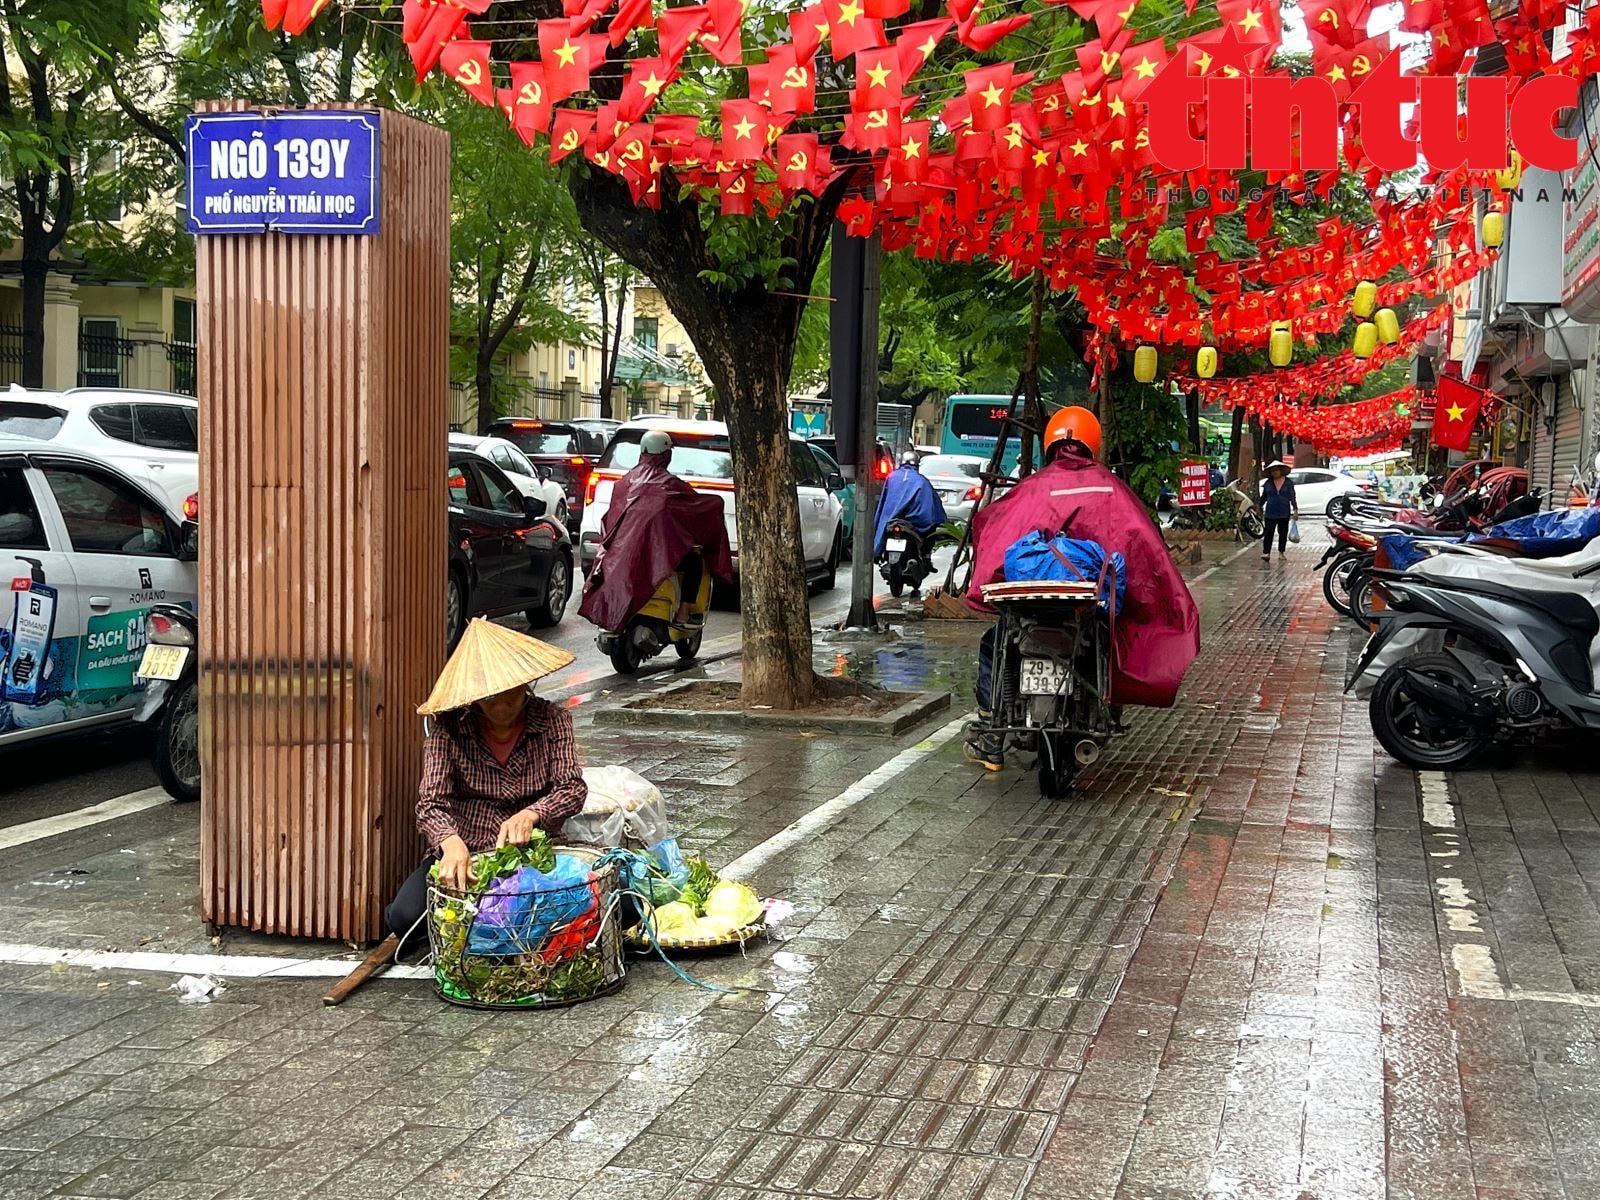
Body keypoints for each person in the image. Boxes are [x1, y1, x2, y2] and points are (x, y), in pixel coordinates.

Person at [963, 406, 1200, 768]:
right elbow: (1139, 543)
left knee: (994, 644)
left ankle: (990, 736)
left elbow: (995, 532)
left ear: (1049, 445)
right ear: (1092, 443)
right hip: (1083, 606)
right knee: (1106, 639)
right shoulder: (1109, 486)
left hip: (1029, 603)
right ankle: (1102, 713)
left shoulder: (1032, 487)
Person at [384, 618, 587, 951]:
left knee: (588, 906)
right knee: (405, 918)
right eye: (490, 695)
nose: (502, 703)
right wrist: (449, 842)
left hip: (534, 855)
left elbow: (572, 789)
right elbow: (430, 804)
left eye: (511, 690)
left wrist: (533, 814)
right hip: (468, 851)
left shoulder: (552, 720)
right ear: (473, 695)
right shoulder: (448, 729)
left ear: (525, 683)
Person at [579, 430, 733, 631]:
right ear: (666, 455)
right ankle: (684, 612)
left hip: (622, 553)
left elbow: (611, 519)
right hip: (658, 553)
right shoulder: (670, 485)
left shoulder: (624, 483)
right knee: (694, 562)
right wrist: (715, 504)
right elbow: (696, 508)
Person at [873, 449, 947, 560]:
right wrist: (941, 519)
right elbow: (933, 504)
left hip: (891, 518)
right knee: (931, 528)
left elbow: (884, 501)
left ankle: (878, 553)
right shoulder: (921, 480)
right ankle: (926, 556)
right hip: (915, 520)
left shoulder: (892, 477)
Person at [1259, 460, 1298, 560]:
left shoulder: (1288, 482)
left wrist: (1295, 509)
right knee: (1268, 533)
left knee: (1283, 533)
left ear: (1281, 471)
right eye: (1272, 471)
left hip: (1284, 512)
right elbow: (1264, 496)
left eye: (1276, 470)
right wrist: (1259, 506)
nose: (1274, 472)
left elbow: (1292, 496)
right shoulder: (1268, 483)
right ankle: (1266, 552)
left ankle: (1281, 552)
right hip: (1270, 512)